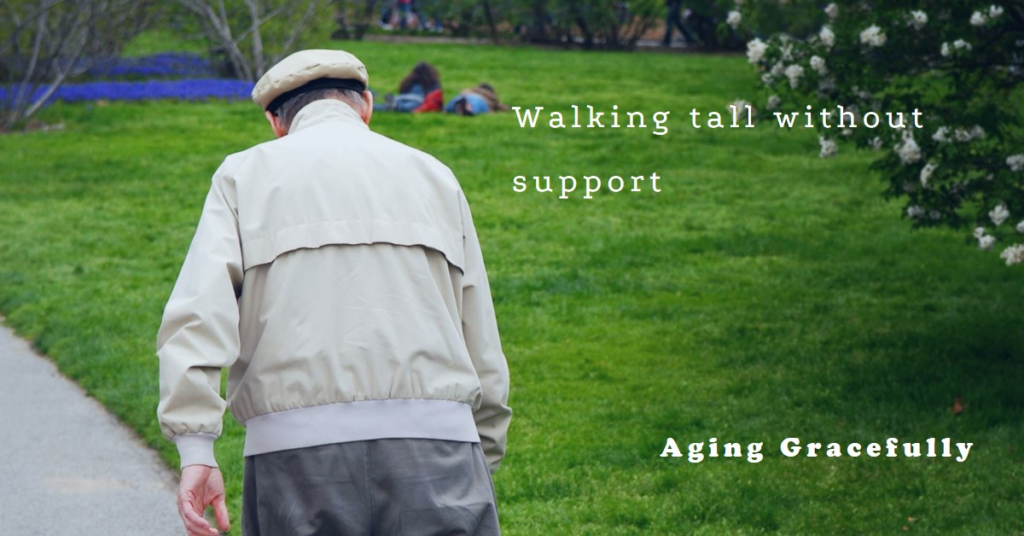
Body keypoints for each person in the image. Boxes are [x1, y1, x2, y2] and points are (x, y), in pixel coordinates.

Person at [156, 49, 512, 535]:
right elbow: (480, 334)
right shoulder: (434, 175)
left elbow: (199, 314)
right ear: (365, 106)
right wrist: (481, 452)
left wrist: (196, 448)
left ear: (274, 123)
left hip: (294, 455)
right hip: (437, 445)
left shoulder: (242, 176)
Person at [445, 83, 509, 116]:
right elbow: (499, 106)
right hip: (478, 100)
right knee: (475, 106)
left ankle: (451, 109)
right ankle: (467, 108)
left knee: (452, 105)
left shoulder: (469, 91)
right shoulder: (488, 97)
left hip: (461, 97)